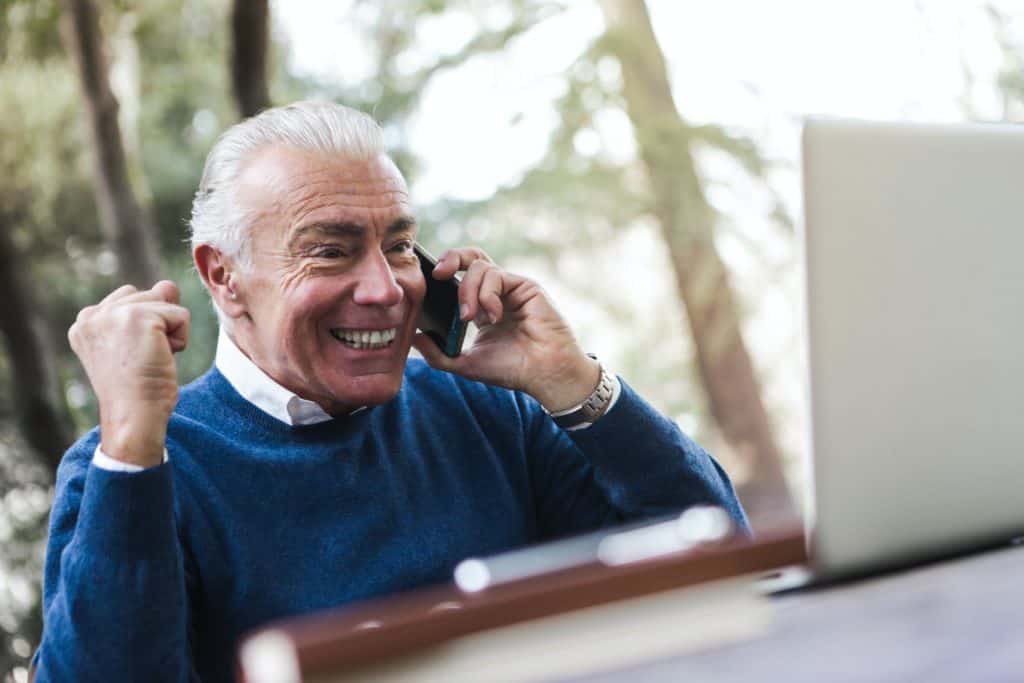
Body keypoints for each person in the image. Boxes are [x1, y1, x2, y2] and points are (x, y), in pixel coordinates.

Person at [31, 101, 748, 682]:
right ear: (222, 275)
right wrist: (131, 445)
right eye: (332, 250)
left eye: (400, 245)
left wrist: (572, 383)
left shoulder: (490, 410)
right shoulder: (134, 468)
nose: (386, 288)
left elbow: (718, 567)